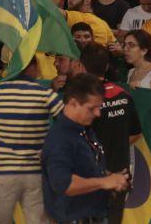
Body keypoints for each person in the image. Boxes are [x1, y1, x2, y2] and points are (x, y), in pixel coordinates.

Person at [41, 73, 130, 223]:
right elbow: (65, 183)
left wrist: (110, 177)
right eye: (91, 108)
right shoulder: (60, 139)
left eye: (98, 107)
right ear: (73, 103)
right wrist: (103, 182)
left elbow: (85, 167)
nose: (98, 113)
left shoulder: (84, 129)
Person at [0, 56, 62, 223]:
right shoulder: (45, 93)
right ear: (33, 67)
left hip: (4, 173)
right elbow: (67, 125)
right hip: (34, 174)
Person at [78, 44, 141, 224]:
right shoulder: (123, 95)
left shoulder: (81, 99)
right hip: (120, 174)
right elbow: (136, 133)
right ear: (106, 66)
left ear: (82, 66)